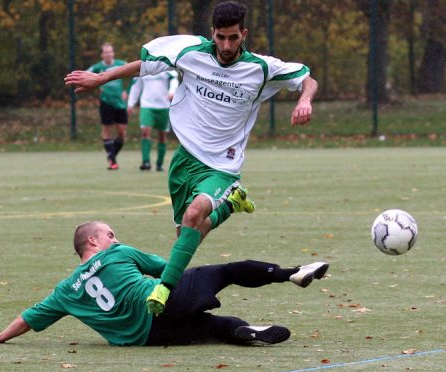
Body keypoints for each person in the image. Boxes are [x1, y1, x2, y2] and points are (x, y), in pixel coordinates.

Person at [65, 2, 317, 314]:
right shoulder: (189, 51)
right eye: (221, 37)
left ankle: (164, 290)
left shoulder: (261, 68)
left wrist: (304, 100)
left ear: (244, 34)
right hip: (184, 161)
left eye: (234, 38)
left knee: (193, 216)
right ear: (213, 33)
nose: (226, 45)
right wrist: (101, 78)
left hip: (222, 166)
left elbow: (307, 77)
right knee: (187, 235)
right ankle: (230, 206)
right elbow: (145, 64)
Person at [0, 221, 329, 347]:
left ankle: (244, 331)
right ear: (94, 242)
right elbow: (169, 270)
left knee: (215, 327)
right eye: (110, 234)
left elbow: (30, 318)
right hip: (160, 302)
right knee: (227, 271)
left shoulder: (65, 291)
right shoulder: (116, 253)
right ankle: (292, 273)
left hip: (144, 338)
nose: (116, 237)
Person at [87, 43, 131, 170]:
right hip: (106, 102)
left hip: (120, 103)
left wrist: (126, 91)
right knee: (107, 130)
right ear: (102, 55)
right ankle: (113, 161)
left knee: (122, 133)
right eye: (106, 52)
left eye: (110, 52)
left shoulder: (121, 64)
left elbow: (135, 77)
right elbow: (86, 75)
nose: (108, 54)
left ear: (113, 53)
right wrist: (96, 87)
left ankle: (111, 156)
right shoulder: (98, 67)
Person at [128, 70, 179, 172]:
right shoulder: (143, 69)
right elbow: (136, 87)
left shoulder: (166, 69)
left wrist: (172, 91)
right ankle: (146, 162)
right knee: (145, 131)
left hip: (163, 107)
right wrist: (130, 103)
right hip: (147, 105)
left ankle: (159, 164)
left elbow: (174, 80)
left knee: (162, 136)